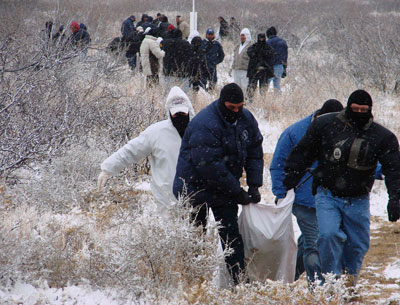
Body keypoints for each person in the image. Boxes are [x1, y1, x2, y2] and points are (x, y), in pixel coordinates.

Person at [283, 90, 400, 286]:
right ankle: (332, 281)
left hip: (359, 198)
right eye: (355, 109)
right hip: (327, 194)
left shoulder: (381, 137)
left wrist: (395, 197)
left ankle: (349, 281)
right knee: (328, 235)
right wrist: (290, 177)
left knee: (358, 245)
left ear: (370, 110)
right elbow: (303, 152)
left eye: (364, 110)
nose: (360, 113)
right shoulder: (325, 125)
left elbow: (394, 168)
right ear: (348, 107)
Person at [173, 83, 264, 285]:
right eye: (232, 107)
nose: (237, 111)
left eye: (240, 106)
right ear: (223, 103)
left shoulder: (245, 119)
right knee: (196, 237)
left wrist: (254, 184)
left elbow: (255, 150)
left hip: (222, 187)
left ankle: (240, 283)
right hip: (193, 187)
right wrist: (237, 191)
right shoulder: (204, 124)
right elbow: (209, 166)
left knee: (231, 237)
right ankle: (194, 285)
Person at [270, 99, 344, 284]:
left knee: (310, 242)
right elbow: (278, 165)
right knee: (316, 245)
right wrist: (281, 194)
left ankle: (285, 279)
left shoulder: (346, 131)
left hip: (332, 200)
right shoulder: (294, 133)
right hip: (304, 201)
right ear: (318, 117)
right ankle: (319, 291)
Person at [98, 86, 195, 214]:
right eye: (176, 113)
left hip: (196, 196)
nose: (180, 117)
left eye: (183, 113)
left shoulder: (200, 129)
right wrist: (108, 168)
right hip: (166, 199)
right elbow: (131, 151)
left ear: (189, 110)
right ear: (169, 112)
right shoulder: (156, 132)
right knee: (170, 231)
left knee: (198, 232)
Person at [246, 33, 274, 100]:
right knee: (251, 87)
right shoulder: (254, 46)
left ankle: (262, 102)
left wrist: (263, 53)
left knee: (263, 89)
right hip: (254, 71)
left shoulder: (268, 47)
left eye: (262, 38)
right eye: (260, 38)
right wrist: (256, 53)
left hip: (264, 71)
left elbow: (271, 54)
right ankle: (250, 101)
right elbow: (249, 52)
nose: (261, 40)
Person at [266, 26, 288, 93]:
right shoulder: (283, 42)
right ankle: (277, 100)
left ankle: (263, 101)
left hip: (270, 67)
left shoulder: (268, 43)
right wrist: (284, 68)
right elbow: (285, 56)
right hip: (280, 66)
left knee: (265, 86)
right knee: (277, 85)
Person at [230, 28, 251, 93]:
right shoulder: (237, 46)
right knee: (236, 87)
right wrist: (231, 67)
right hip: (236, 69)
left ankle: (244, 100)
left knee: (244, 87)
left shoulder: (251, 46)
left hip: (245, 70)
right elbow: (234, 57)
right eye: (241, 35)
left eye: (243, 35)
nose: (242, 37)